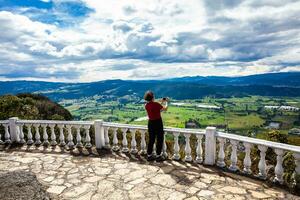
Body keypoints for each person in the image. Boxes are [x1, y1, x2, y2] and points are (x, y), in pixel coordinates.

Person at [144, 90, 169, 162]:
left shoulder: (146, 105)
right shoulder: (156, 105)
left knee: (151, 139)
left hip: (150, 123)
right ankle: (158, 155)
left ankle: (149, 155)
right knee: (159, 139)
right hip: (158, 123)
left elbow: (154, 106)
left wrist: (161, 101)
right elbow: (165, 109)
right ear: (152, 97)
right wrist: (166, 102)